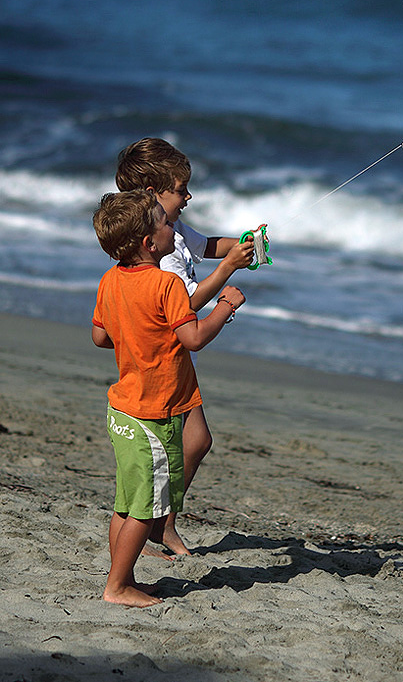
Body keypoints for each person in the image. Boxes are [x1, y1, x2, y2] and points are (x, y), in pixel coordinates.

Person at [91, 189, 245, 607]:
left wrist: (139, 336)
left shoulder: (109, 280)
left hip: (121, 407)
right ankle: (117, 586)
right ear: (149, 243)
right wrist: (224, 307)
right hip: (151, 414)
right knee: (145, 506)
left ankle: (123, 577)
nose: (172, 230)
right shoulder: (166, 284)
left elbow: (101, 336)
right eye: (166, 224)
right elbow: (192, 338)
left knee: (126, 501)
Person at [115, 137, 256, 557]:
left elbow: (208, 245)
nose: (188, 196)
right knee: (186, 443)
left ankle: (163, 523)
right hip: (163, 357)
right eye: (181, 189)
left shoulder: (171, 230)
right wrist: (227, 274)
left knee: (196, 441)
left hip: (173, 358)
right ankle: (158, 523)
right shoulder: (157, 251)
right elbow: (186, 305)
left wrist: (243, 245)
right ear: (151, 195)